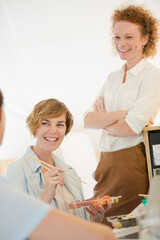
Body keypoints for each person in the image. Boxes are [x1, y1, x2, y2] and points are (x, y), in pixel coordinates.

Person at [0, 89, 117, 240]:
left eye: (60, 124)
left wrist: (95, 219)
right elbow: (17, 229)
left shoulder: (70, 172)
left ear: (66, 130)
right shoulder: (17, 170)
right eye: (45, 123)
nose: (53, 131)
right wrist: (47, 194)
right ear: (35, 127)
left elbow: (77, 226)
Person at [84, 4, 160, 225]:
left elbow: (131, 127)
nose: (121, 44)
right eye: (117, 37)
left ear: (146, 38)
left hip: (130, 162)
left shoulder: (152, 76)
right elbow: (88, 120)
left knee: (126, 229)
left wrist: (104, 121)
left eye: (129, 36)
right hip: (105, 163)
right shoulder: (112, 78)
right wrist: (119, 114)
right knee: (100, 226)